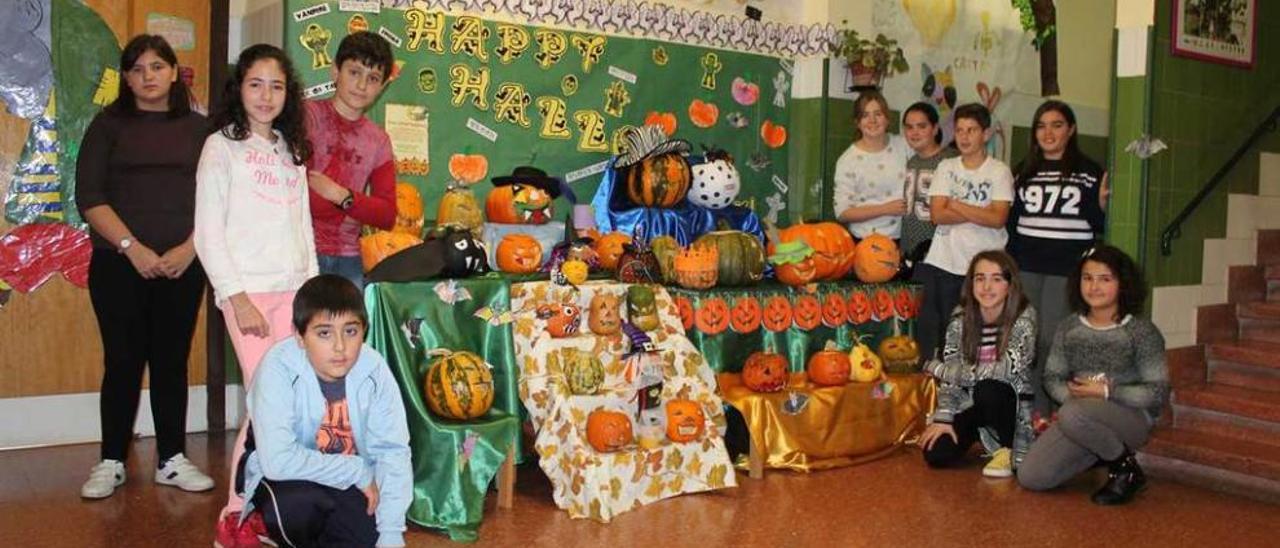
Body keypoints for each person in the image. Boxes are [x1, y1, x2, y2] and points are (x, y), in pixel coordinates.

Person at [75, 34, 214, 499]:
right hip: (118, 264)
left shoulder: (201, 130)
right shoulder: (107, 125)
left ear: (174, 72)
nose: (148, 76)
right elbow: (90, 198)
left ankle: (171, 459)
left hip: (183, 264)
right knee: (123, 362)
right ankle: (110, 460)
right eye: (137, 69)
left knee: (171, 362)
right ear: (127, 77)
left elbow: (218, 200)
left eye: (157, 66)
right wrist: (132, 248)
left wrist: (190, 249)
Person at [193, 43, 317, 546]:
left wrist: (312, 295)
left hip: (294, 293)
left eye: (277, 86)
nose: (266, 96)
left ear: (288, 95)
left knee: (288, 406)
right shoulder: (220, 147)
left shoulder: (291, 149)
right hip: (248, 294)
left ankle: (270, 510)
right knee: (267, 404)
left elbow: (303, 226)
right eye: (255, 84)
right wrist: (236, 295)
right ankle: (234, 516)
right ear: (238, 88)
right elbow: (207, 233)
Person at [236, 275, 411, 547]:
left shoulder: (374, 370)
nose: (340, 347)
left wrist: (391, 532)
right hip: (287, 478)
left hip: (345, 481)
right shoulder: (277, 368)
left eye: (350, 331)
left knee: (370, 537)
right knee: (297, 509)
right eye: (324, 333)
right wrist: (356, 470)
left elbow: (392, 452)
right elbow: (278, 461)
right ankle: (260, 525)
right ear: (300, 336)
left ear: (364, 330)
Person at [1018, 245, 1168, 505]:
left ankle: (1126, 470)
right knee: (1031, 477)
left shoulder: (1142, 331)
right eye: (1087, 278)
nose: (1094, 287)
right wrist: (1072, 396)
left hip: (1129, 418)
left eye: (1104, 279)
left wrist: (1107, 392)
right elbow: (1052, 377)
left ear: (1123, 284)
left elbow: (1158, 392)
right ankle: (1103, 451)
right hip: (1080, 416)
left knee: (1072, 414)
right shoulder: (1069, 327)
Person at [1006, 100, 1109, 413]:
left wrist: (1103, 208)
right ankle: (1033, 412)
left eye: (1057, 125)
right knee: (1029, 342)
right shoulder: (1022, 171)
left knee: (1054, 339)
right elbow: (1011, 224)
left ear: (1072, 129)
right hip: (1027, 267)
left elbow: (1099, 225)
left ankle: (1061, 410)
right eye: (1041, 125)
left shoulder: (1091, 172)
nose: (1048, 132)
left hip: (1066, 270)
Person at [920, 250, 1036, 478]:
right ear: (971, 283)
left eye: (996, 279)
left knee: (989, 387)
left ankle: (1008, 450)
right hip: (971, 402)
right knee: (936, 453)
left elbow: (1004, 370)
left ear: (1010, 285)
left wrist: (936, 368)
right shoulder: (960, 317)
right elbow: (952, 370)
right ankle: (983, 437)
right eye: (980, 278)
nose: (987, 287)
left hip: (1009, 406)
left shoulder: (1024, 317)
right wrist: (943, 417)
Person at [914, 103, 1014, 362]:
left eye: (972, 130)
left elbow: (998, 218)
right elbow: (937, 215)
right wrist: (981, 210)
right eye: (960, 130)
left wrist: (956, 204)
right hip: (944, 263)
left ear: (986, 134)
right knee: (940, 333)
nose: (965, 137)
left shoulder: (998, 171)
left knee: (974, 336)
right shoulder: (947, 167)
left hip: (982, 268)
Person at [305, 31, 397, 290]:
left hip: (348, 259)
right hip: (299, 251)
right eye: (354, 72)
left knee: (346, 330)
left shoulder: (378, 141)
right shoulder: (307, 117)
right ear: (335, 71)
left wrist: (341, 195)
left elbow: (387, 214)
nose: (361, 85)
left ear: (382, 86)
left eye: (373, 78)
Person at [833, 90, 910, 240]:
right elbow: (842, 213)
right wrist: (885, 209)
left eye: (878, 114)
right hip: (866, 242)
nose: (872, 120)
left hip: (905, 239)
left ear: (887, 119)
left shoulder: (904, 145)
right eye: (865, 115)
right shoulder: (848, 160)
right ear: (857, 123)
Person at [899, 101, 960, 264]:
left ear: (934, 129)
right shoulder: (910, 161)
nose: (915, 132)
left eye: (921, 126)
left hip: (940, 253)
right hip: (909, 252)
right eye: (909, 127)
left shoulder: (952, 160)